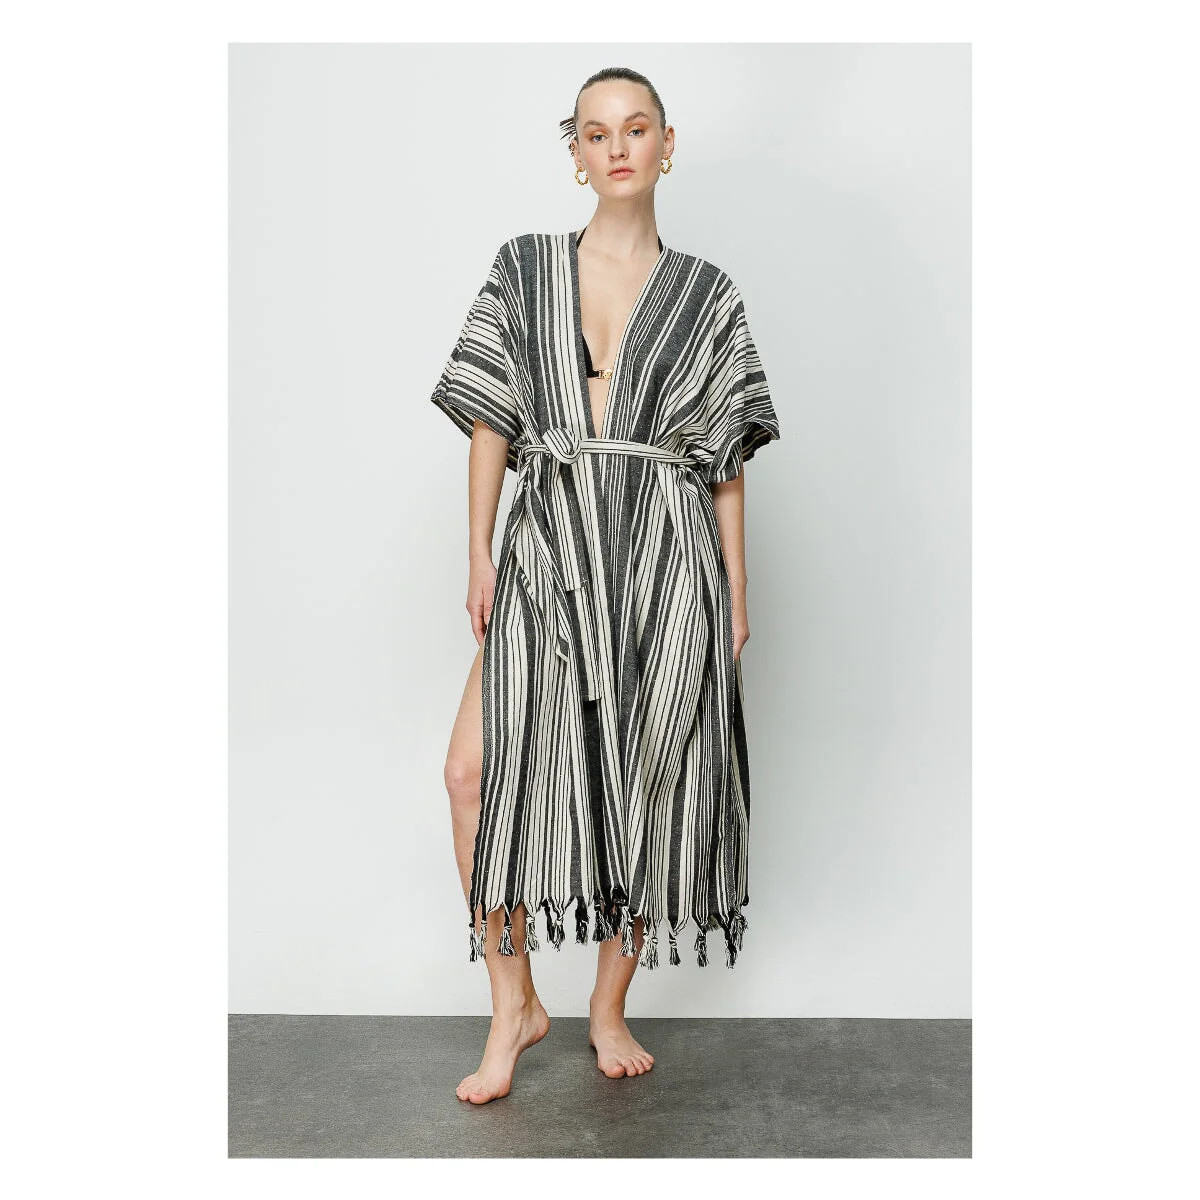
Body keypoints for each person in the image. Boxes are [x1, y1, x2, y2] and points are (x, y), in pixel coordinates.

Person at [431, 67, 781, 1104]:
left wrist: (736, 594)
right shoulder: (525, 267)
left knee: (646, 784)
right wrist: (480, 549)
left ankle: (607, 1006)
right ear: (576, 153)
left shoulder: (709, 294)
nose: (617, 147)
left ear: (668, 144)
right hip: (548, 546)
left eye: (636, 129)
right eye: (596, 132)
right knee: (471, 773)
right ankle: (514, 1004)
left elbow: (726, 459)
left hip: (667, 556)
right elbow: (491, 417)